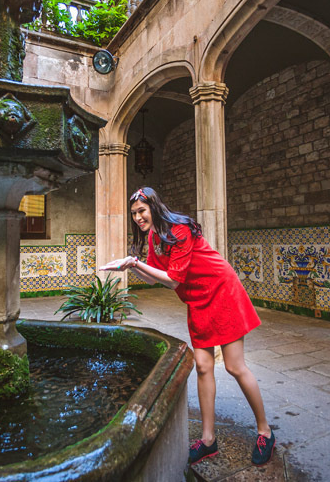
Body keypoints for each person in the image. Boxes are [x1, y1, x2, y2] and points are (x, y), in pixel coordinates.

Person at [100, 186, 275, 466]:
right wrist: (131, 266)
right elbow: (154, 278)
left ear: (154, 207)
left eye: (141, 211)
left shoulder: (179, 230)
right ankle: (208, 440)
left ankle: (265, 431)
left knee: (234, 366)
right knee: (203, 367)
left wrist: (134, 263)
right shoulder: (155, 237)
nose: (137, 218)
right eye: (133, 213)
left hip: (221, 290)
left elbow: (172, 280)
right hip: (197, 299)